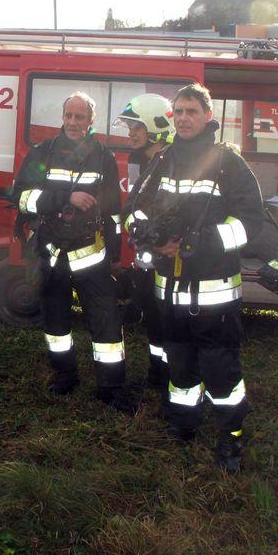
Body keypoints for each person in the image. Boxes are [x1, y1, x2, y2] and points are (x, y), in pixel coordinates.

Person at [134, 83, 263, 472]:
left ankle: (231, 438)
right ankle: (184, 424)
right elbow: (135, 210)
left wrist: (196, 244)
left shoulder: (229, 163)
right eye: (180, 111)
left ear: (208, 116)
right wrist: (149, 237)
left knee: (221, 369)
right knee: (181, 365)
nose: (185, 117)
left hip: (214, 294)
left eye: (193, 110)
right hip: (169, 292)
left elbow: (251, 224)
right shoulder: (161, 161)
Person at [13, 91, 133, 412]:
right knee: (55, 324)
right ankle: (64, 376)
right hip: (51, 254)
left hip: (92, 256)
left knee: (106, 323)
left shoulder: (104, 158)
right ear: (62, 118)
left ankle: (111, 387)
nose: (73, 122)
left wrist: (117, 256)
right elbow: (22, 197)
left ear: (91, 121)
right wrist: (67, 197)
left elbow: (113, 213)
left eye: (80, 117)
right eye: (69, 116)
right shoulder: (43, 153)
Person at [117, 94, 175, 404]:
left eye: (136, 126)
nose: (131, 133)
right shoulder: (145, 160)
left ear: (157, 126)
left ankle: (173, 380)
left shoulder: (174, 160)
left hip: (172, 258)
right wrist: (139, 228)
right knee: (154, 320)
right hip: (150, 256)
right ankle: (157, 376)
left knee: (169, 322)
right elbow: (134, 207)